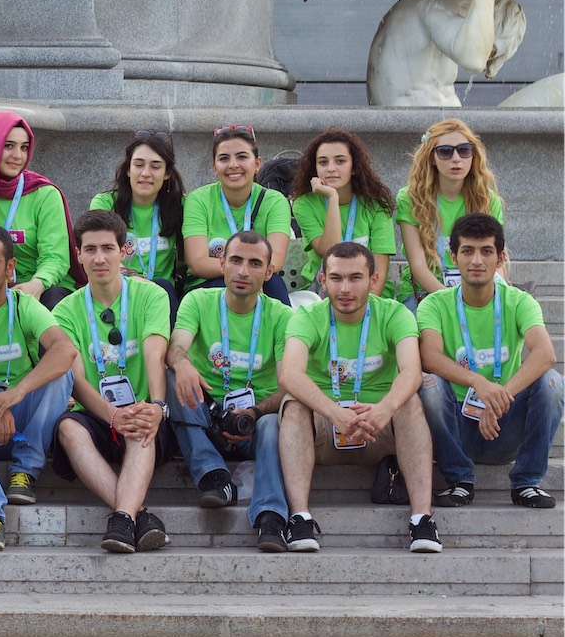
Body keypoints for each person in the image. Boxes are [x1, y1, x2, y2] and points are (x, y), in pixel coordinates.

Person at [277, 241, 440, 553]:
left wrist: (384, 409)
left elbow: (412, 371)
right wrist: (334, 412)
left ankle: (422, 519)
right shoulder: (307, 316)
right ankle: (299, 518)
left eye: (355, 278)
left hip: (378, 426)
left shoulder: (394, 313)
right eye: (336, 278)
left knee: (409, 401)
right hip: (326, 427)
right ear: (322, 280)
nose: (345, 289)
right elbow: (290, 374)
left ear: (373, 280)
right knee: (294, 405)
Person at [416, 213, 560, 509]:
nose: (477, 261)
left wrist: (498, 398)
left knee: (552, 383)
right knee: (429, 385)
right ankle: (459, 480)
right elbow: (429, 356)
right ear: (453, 257)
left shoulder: (519, 301)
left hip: (504, 426)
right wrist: (478, 382)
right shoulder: (434, 303)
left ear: (500, 258)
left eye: (486, 251)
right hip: (456, 425)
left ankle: (527, 482)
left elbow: (545, 353)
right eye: (468, 251)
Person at [50, 210, 173, 554]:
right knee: (68, 428)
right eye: (90, 250)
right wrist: (112, 415)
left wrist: (157, 405)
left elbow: (155, 354)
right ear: (78, 255)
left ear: (124, 251)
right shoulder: (64, 310)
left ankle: (121, 520)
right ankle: (136, 515)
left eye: (107, 248)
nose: (99, 258)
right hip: (98, 414)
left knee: (141, 422)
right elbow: (76, 380)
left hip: (144, 410)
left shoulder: (152, 295)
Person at [166, 229, 294, 550]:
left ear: (269, 272)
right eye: (235, 260)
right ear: (221, 263)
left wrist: (255, 412)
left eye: (254, 264)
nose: (243, 271)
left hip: (255, 425)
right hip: (206, 416)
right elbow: (176, 347)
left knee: (274, 422)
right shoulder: (197, 300)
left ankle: (271, 517)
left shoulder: (282, 316)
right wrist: (181, 363)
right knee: (169, 376)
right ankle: (215, 477)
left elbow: (289, 383)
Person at [0, 224, 77, 529]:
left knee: (61, 374)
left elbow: (65, 350)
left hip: (21, 419)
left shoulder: (25, 306)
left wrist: (13, 395)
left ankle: (24, 470)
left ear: (10, 267)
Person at [0, 110, 75, 308]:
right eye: (8, 145)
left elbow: (55, 257)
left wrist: (38, 283)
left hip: (41, 288)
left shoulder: (44, 194)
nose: (17, 156)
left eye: (24, 147)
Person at [396, 118, 505, 305]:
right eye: (445, 151)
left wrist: (496, 291)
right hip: (425, 292)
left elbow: (495, 258)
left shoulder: (487, 199)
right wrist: (455, 301)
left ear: (473, 155)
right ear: (432, 157)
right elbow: (418, 266)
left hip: (476, 289)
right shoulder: (410, 198)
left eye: (464, 150)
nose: (456, 159)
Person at [182, 123, 290, 305]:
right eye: (224, 158)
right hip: (208, 283)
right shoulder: (198, 199)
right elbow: (198, 263)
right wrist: (248, 269)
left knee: (274, 283)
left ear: (257, 164)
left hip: (259, 281)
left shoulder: (274, 201)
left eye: (242, 157)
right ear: (214, 167)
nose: (233, 165)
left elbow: (276, 261)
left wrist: (247, 275)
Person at [288, 128, 397, 296]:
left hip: (371, 292)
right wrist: (332, 198)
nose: (331, 168)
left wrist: (365, 307)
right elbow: (330, 251)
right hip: (324, 289)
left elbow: (379, 270)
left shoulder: (376, 205)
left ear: (354, 167)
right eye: (323, 162)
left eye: (340, 161)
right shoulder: (304, 203)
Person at [86, 130, 187, 294]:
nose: (145, 173)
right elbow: (100, 253)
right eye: (139, 165)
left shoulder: (179, 205)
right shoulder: (105, 203)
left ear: (167, 173)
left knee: (164, 286)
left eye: (155, 166)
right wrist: (137, 281)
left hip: (162, 294)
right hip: (117, 289)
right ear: (128, 169)